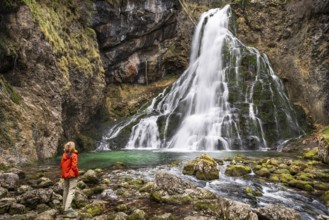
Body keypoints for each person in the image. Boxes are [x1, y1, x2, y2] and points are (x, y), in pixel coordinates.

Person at [60, 141, 79, 214]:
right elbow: (74, 167)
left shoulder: (64, 155)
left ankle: (64, 206)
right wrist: (77, 174)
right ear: (73, 147)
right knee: (71, 190)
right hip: (72, 175)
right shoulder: (74, 155)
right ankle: (67, 208)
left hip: (65, 175)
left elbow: (61, 165)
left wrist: (64, 173)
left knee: (65, 190)